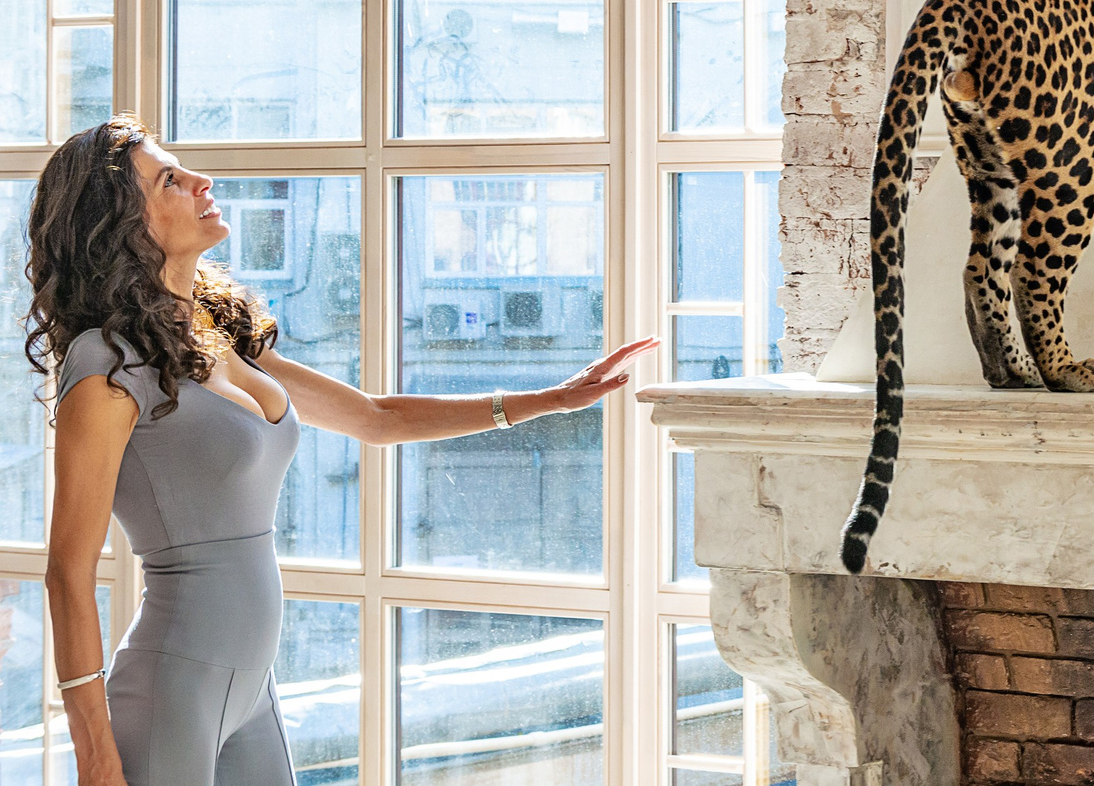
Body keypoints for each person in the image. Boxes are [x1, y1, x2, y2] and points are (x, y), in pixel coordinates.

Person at [25, 116, 656, 786]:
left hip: (249, 690)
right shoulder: (107, 363)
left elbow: (376, 417)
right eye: (171, 180)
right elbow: (68, 569)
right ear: (123, 225)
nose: (203, 182)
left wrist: (550, 399)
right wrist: (95, 754)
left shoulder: (214, 330)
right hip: (173, 685)